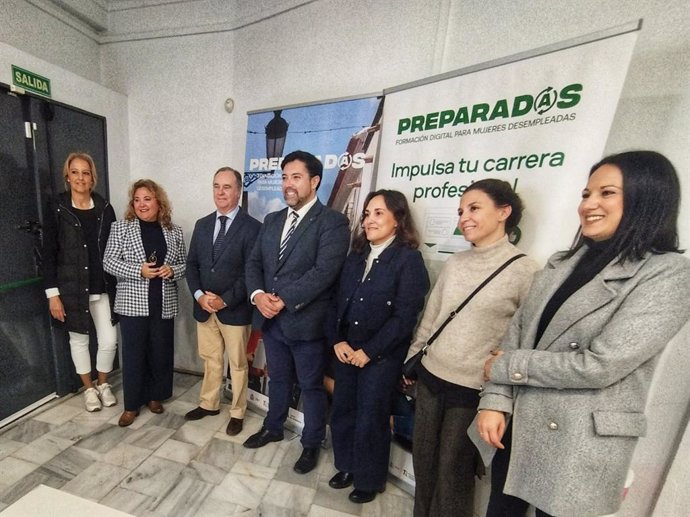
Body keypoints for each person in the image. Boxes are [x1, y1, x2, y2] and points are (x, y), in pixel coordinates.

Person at [477, 151, 690, 517]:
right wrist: (494, 400)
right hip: (518, 424)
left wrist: (504, 368)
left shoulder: (668, 273)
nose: (588, 204)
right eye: (586, 194)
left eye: (606, 193)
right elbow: (518, 330)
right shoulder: (563, 262)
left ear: (647, 197)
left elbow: (600, 364)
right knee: (500, 510)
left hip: (579, 439)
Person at [406, 179, 539, 517]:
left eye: (474, 208)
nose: (464, 217)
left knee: (453, 472)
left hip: (473, 390)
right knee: (423, 463)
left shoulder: (525, 270)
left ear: (504, 212)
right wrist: (413, 359)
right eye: (461, 211)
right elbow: (431, 317)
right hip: (432, 377)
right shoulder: (455, 263)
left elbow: (523, 339)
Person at [243, 150, 350, 475]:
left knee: (311, 386)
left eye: (296, 177)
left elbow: (323, 272)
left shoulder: (333, 222)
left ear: (315, 181)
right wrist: (259, 295)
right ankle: (273, 427)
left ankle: (311, 444)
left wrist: (283, 299)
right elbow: (254, 263)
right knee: (277, 380)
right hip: (272, 323)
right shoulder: (273, 220)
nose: (288, 184)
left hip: (306, 324)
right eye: (285, 177)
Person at [328, 189, 429, 503]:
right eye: (367, 214)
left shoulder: (408, 260)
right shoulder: (356, 256)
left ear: (398, 220)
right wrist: (337, 341)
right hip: (347, 351)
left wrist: (369, 352)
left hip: (381, 356)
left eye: (378, 213)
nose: (369, 220)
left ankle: (368, 480)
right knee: (343, 410)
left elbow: (404, 318)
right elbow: (336, 303)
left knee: (372, 417)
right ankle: (346, 465)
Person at [184, 167, 261, 436]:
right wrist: (200, 296)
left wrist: (224, 301)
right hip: (204, 308)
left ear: (238, 191)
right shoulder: (202, 224)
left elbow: (251, 273)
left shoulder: (253, 228)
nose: (220, 192)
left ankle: (238, 412)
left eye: (227, 187)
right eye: (216, 186)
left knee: (238, 365)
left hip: (235, 310)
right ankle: (209, 404)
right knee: (211, 359)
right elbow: (191, 266)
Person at [103, 179, 186, 427]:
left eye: (147, 199)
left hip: (163, 302)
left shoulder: (174, 231)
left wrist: (172, 270)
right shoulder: (121, 228)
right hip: (131, 304)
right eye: (137, 200)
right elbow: (108, 262)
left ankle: (155, 396)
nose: (141, 204)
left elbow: (184, 265)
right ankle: (131, 405)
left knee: (160, 353)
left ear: (159, 202)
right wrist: (138, 270)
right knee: (134, 354)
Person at [42, 152, 119, 411]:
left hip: (102, 285)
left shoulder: (105, 208)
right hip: (71, 288)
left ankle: (103, 384)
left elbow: (115, 247)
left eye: (85, 172)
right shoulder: (57, 207)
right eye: (75, 172)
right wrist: (52, 294)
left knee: (108, 340)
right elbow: (49, 252)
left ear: (93, 178)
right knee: (79, 340)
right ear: (67, 176)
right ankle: (88, 389)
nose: (80, 178)